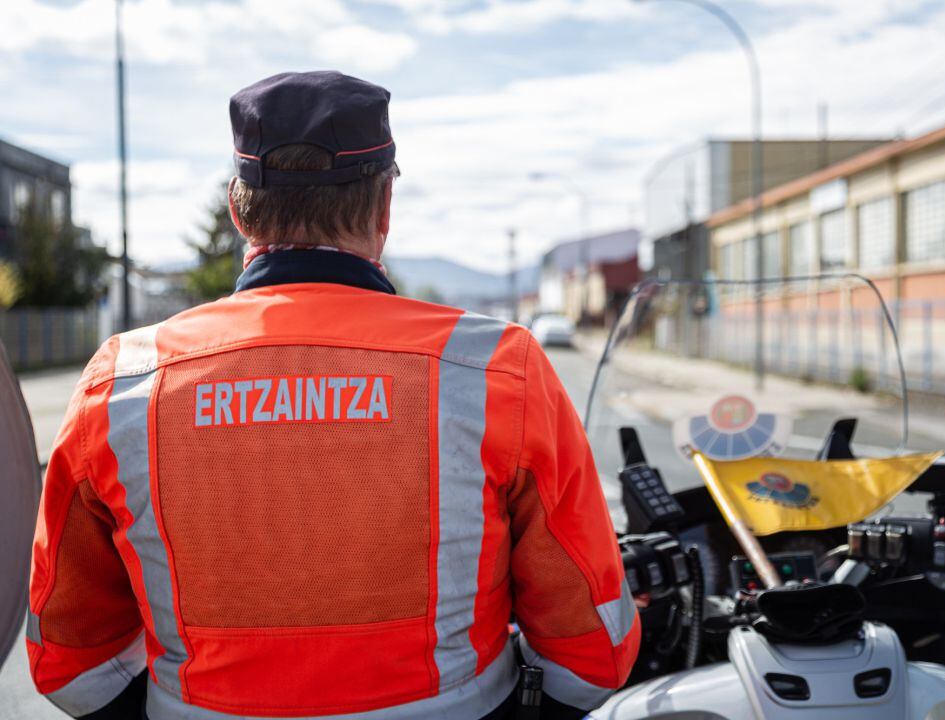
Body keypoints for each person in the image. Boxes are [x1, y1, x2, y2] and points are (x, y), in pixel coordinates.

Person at [26, 71, 639, 720]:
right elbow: (592, 650)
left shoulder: (120, 383)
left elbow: (69, 661)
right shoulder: (495, 368)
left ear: (239, 212)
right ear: (384, 210)